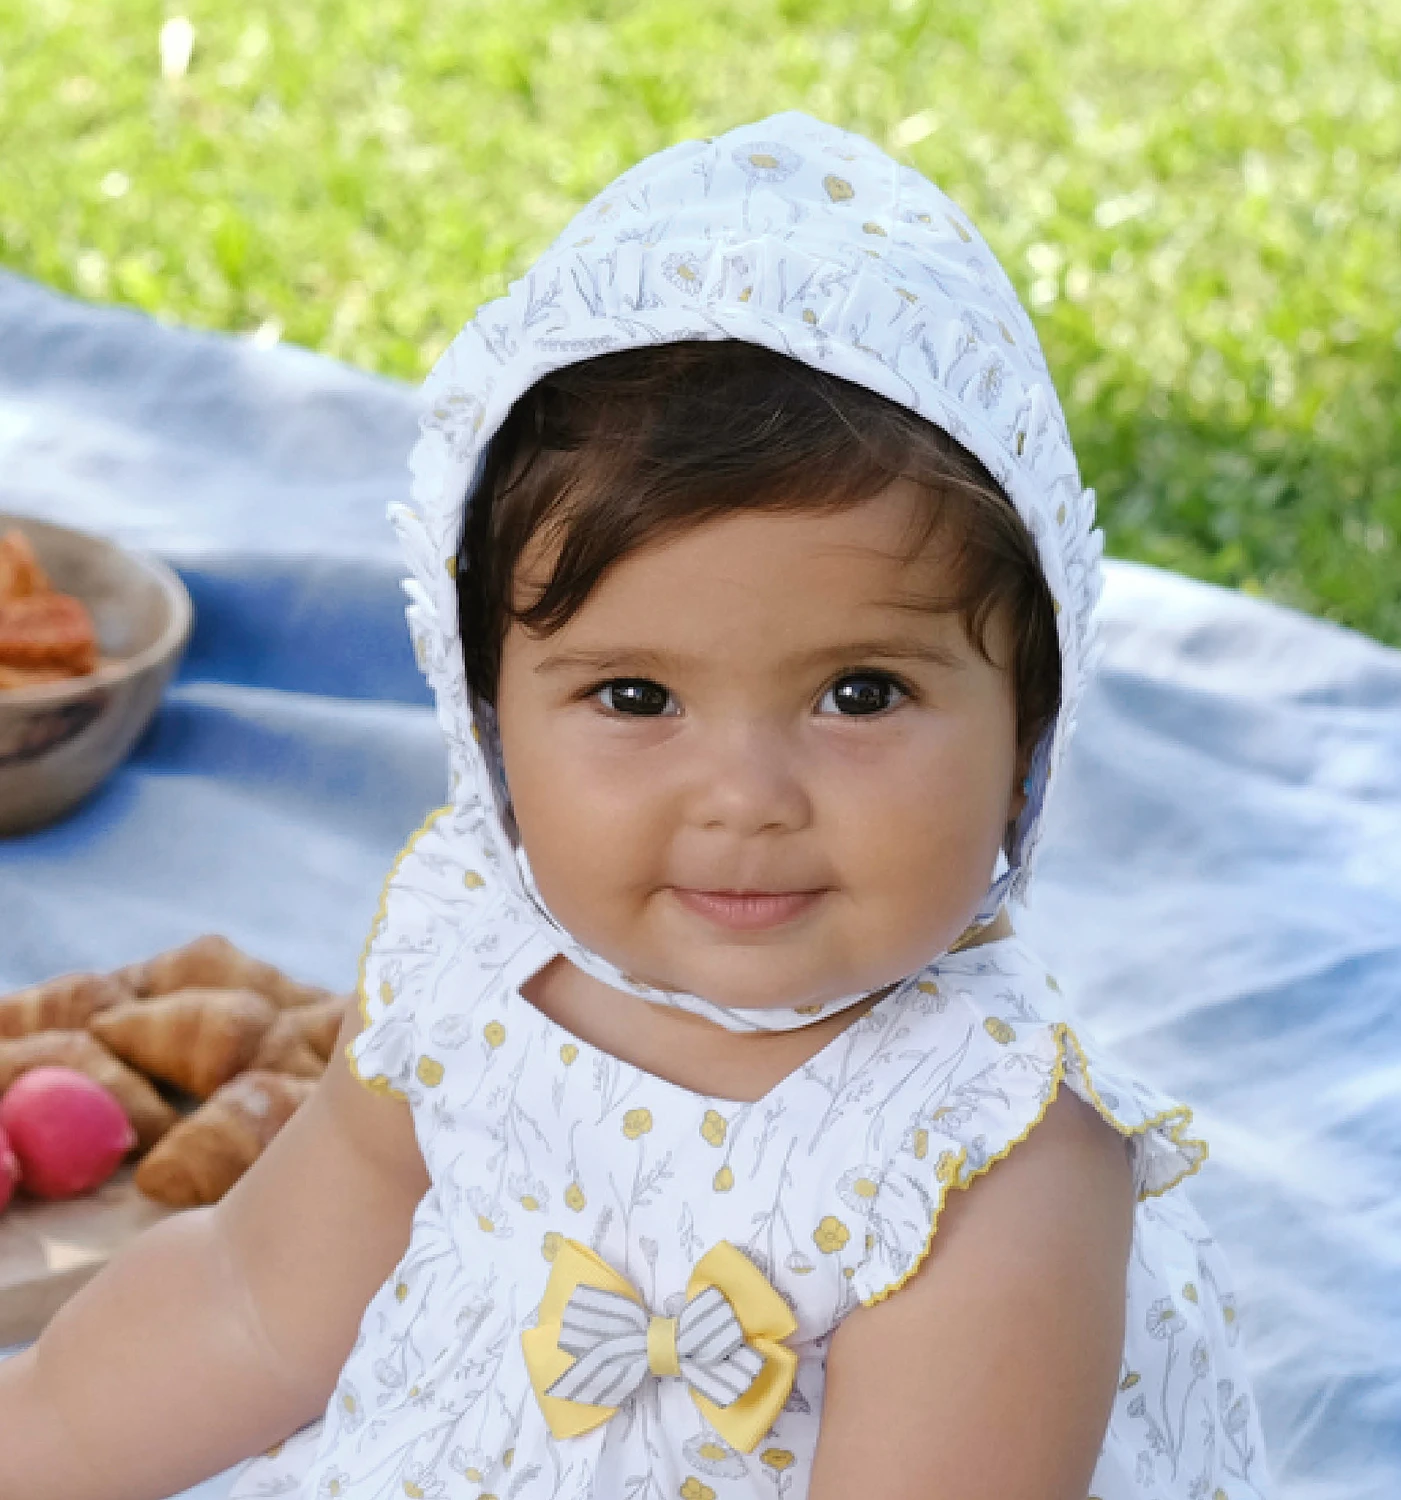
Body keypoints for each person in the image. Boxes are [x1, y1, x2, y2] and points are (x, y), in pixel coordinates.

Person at [0, 111, 1271, 1500]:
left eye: (859, 694)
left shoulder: (987, 1157)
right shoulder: (470, 961)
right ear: (488, 720)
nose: (745, 799)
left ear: (1030, 730)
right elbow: (253, 1306)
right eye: (634, 696)